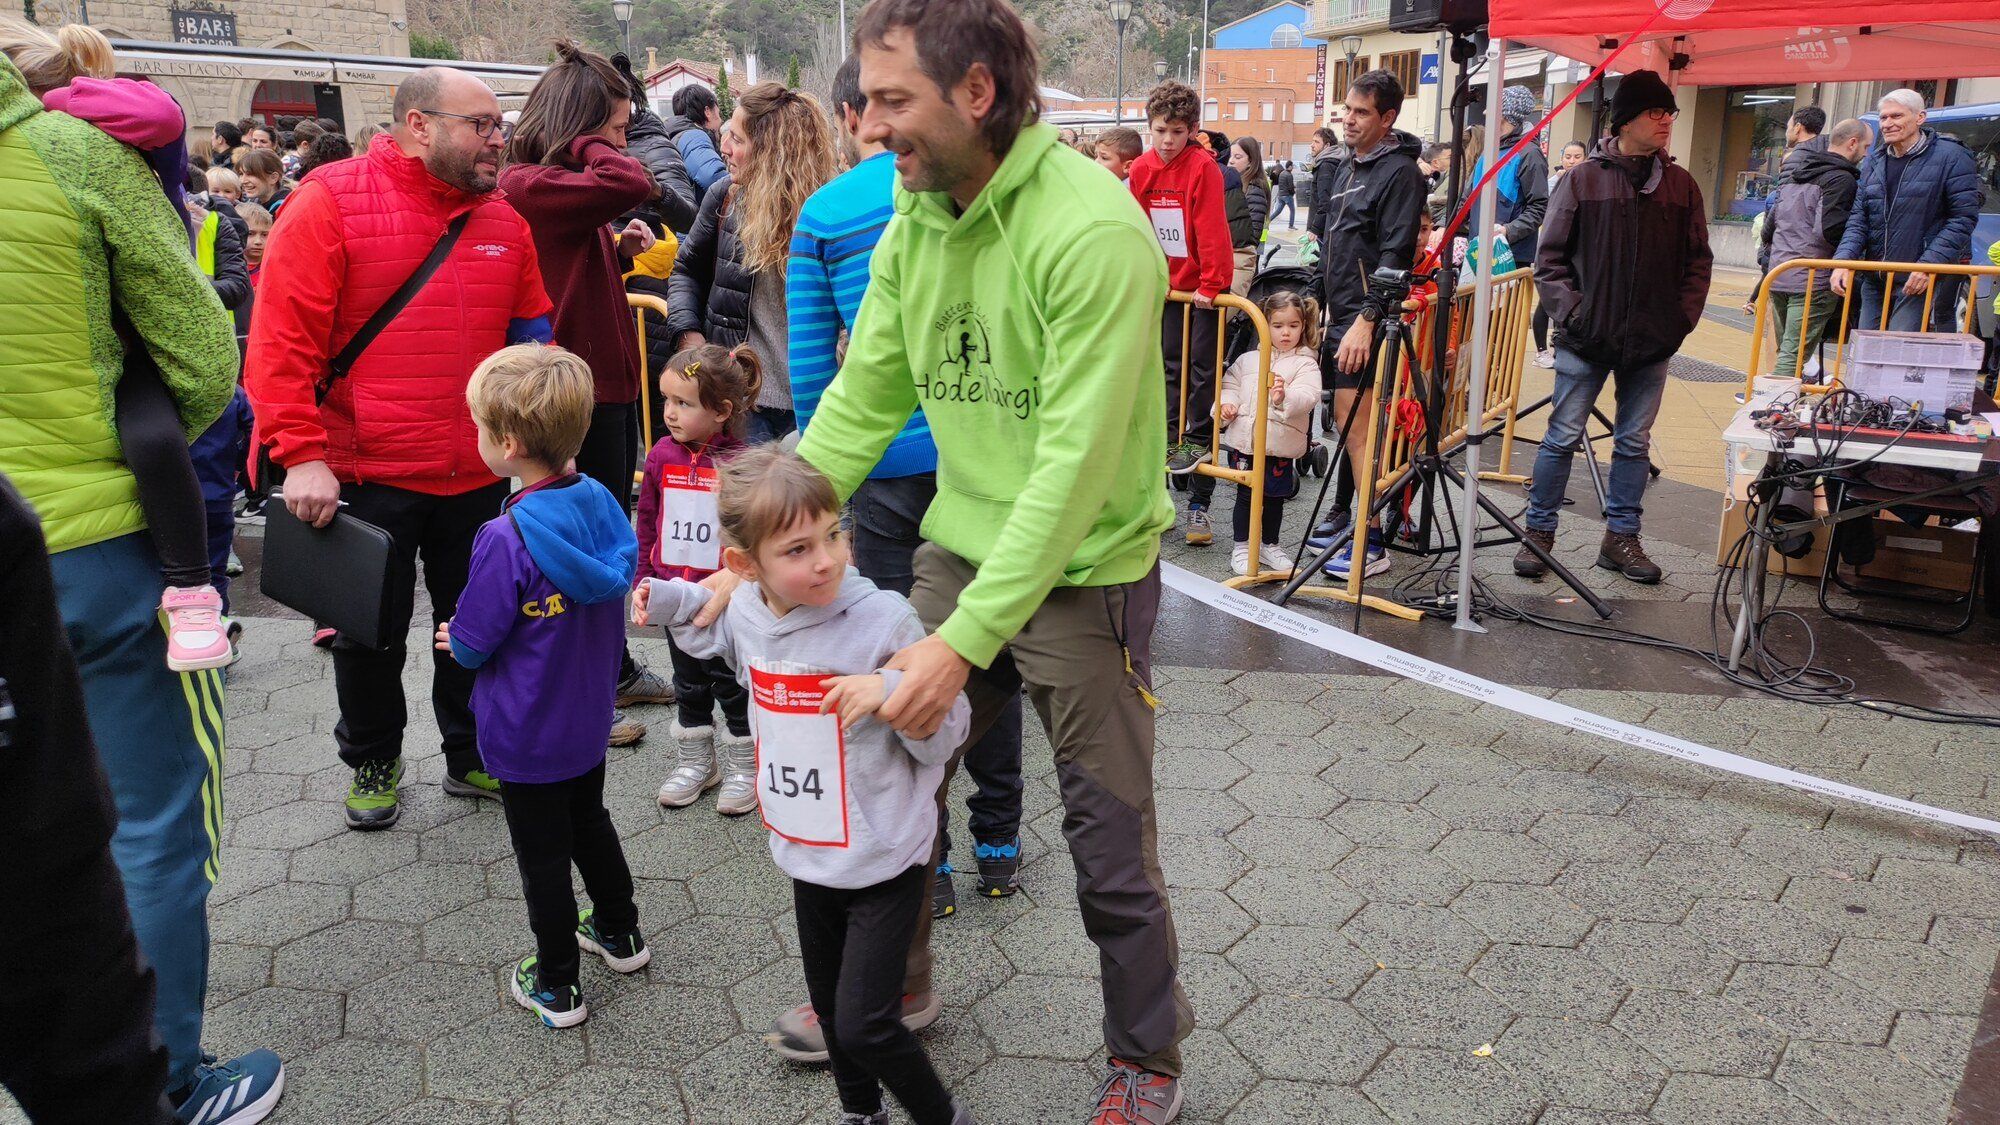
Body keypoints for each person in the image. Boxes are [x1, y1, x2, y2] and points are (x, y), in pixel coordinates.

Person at [755, 0, 1196, 1116]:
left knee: (1106, 842)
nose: (869, 128)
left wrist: (959, 643)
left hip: (1084, 573)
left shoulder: (1089, 230)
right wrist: (763, 533)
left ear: (977, 94)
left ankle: (1145, 1059)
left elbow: (1072, 473)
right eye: (869, 102)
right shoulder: (915, 218)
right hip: (962, 548)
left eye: (894, 103)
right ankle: (886, 999)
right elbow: (863, 400)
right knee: (893, 778)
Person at [0, 33, 285, 1125]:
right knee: (146, 824)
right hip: (86, 549)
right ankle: (167, 1083)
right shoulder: (74, 159)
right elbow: (211, 367)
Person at [246, 66, 556, 830]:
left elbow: (532, 343)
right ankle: (374, 757)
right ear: (418, 124)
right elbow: (281, 343)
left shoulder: (505, 221)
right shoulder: (328, 202)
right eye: (480, 124)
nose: (497, 140)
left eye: (498, 126)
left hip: (478, 474)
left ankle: (472, 749)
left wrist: (545, 446)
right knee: (365, 633)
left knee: (479, 625)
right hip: (364, 468)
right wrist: (300, 454)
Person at [641, 448, 977, 1125]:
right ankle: (862, 1112)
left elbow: (948, 732)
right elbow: (723, 641)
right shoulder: (747, 613)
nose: (826, 558)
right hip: (807, 852)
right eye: (798, 548)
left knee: (863, 1023)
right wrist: (669, 596)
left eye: (833, 532)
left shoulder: (884, 618)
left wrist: (889, 692)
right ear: (745, 566)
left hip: (885, 858)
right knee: (830, 1009)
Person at [788, 53, 1027, 926]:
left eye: (892, 105)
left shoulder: (831, 211)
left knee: (918, 664)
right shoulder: (951, 202)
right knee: (981, 664)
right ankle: (998, 837)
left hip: (888, 472)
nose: (879, 126)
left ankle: (925, 859)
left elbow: (821, 375)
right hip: (969, 467)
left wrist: (809, 500)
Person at [436, 344, 651, 1030]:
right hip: (588, 716)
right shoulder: (601, 503)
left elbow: (473, 640)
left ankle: (556, 982)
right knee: (591, 821)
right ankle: (619, 930)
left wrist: (455, 638)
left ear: (506, 443)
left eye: (477, 427)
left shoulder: (504, 537)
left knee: (542, 858)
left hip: (525, 730)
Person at [19, 23, 240, 672]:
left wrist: (47, 104)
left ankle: (193, 587)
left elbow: (163, 113)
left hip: (130, 299)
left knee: (150, 427)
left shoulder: (92, 122)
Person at [499, 39, 677, 750]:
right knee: (572, 542)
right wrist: (594, 145)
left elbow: (579, 241)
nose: (619, 142)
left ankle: (611, 668)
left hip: (594, 383)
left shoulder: (550, 186)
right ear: (574, 127)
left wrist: (616, 247)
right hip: (565, 391)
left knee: (599, 533)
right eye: (611, 126)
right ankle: (582, 690)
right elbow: (630, 179)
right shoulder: (529, 182)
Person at [1524, 68, 1712, 585]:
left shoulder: (1681, 185)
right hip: (1586, 338)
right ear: (1626, 119)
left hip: (1653, 340)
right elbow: (1550, 259)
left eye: (1669, 113)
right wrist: (1575, 314)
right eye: (1656, 112)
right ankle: (1538, 532)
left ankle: (1621, 537)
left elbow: (1699, 261)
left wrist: (1680, 320)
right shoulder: (1582, 179)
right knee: (1561, 436)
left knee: (1634, 442)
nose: (1666, 121)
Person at [667, 81, 839, 444]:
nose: (724, 148)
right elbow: (686, 270)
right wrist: (690, 336)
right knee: (744, 501)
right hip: (745, 403)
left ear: (774, 151)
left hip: (819, 406)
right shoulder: (725, 199)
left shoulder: (829, 210)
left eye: (738, 140)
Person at [1304, 69, 1426, 581]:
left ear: (1388, 118)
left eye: (1361, 113)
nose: (1349, 120)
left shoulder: (1400, 172)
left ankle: (1371, 541)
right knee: (1349, 426)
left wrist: (1367, 320)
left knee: (1360, 433)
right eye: (1346, 110)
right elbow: (1335, 242)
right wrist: (1314, 298)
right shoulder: (1348, 164)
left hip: (1366, 322)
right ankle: (1355, 524)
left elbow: (1395, 255)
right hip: (1340, 317)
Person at [634, 343, 757, 811]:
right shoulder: (660, 456)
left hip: (724, 597)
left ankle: (745, 765)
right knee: (687, 680)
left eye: (683, 403)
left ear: (723, 411)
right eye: (665, 400)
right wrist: (645, 579)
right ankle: (696, 762)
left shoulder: (741, 461)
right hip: (674, 592)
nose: (669, 413)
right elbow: (648, 520)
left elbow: (751, 531)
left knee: (729, 680)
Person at [1129, 79, 1233, 546]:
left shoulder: (1202, 167)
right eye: (1160, 131)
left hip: (1202, 292)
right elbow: (1134, 227)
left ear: (1192, 131)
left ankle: (1198, 471)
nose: (1167, 140)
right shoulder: (1142, 169)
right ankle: (1172, 444)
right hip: (1164, 290)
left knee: (1202, 372)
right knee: (1166, 370)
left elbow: (1212, 229)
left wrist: (1212, 284)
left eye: (1177, 131)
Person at [1832, 88, 1982, 333]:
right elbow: (1859, 218)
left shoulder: (1952, 156)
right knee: (1865, 354)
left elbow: (1962, 218)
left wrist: (1927, 266)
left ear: (1920, 118)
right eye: (1884, 118)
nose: (1888, 124)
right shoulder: (1876, 161)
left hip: (1918, 279)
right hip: (1875, 277)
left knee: (1899, 353)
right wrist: (1842, 261)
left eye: (1897, 116)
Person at [1218, 289, 1322, 576]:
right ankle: (1241, 545)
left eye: (1293, 325)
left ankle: (1269, 544)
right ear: (1264, 324)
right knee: (1246, 494)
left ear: (1304, 325)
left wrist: (1283, 397)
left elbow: (1308, 394)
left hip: (1280, 444)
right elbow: (1230, 387)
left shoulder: (1306, 362)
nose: (1286, 333)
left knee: (1275, 498)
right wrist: (1227, 406)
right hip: (1248, 442)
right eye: (1278, 326)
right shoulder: (1248, 359)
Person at [1762, 118, 1867, 381]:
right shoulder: (1841, 180)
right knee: (1792, 356)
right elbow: (1829, 230)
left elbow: (1769, 228)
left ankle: (1781, 406)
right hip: (1812, 277)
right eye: (1866, 147)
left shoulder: (1795, 176)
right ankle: (1771, 410)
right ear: (1852, 144)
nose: (1866, 154)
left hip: (1780, 274)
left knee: (1790, 352)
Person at [609, 50, 701, 234]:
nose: (621, 143)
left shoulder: (655, 147)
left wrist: (658, 192)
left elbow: (690, 217)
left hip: (647, 257)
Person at [1533, 140, 1590, 368]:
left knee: (1566, 299)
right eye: (1568, 156)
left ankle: (1559, 348)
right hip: (1550, 250)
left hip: (1577, 253)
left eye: (1577, 156)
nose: (1572, 160)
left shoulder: (1589, 182)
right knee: (1546, 301)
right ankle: (1541, 350)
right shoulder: (1551, 185)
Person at [665, 82, 729, 196]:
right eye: (718, 114)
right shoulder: (694, 137)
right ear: (708, 112)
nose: (720, 121)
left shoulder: (676, 135)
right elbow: (713, 177)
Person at [1229, 135, 1270, 297]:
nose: (1231, 161)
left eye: (1237, 157)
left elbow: (1253, 233)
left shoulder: (1255, 188)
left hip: (1243, 264)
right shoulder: (1237, 184)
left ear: (1251, 161)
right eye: (1231, 156)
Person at [1304, 125, 1343, 240]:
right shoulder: (1332, 162)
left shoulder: (1326, 165)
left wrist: (1315, 229)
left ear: (1327, 146)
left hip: (1321, 231)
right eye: (1312, 141)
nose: (1312, 145)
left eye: (1316, 142)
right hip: (1327, 227)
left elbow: (1325, 202)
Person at [235, 147, 290, 215]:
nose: (243, 181)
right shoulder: (252, 202)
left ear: (273, 178)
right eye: (241, 174)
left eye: (250, 174)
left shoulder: (286, 208)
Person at [1273, 155, 1296, 228]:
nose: (1293, 167)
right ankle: (1291, 225)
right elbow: (1290, 187)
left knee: (1277, 211)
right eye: (1292, 166)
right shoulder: (1289, 175)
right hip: (1287, 195)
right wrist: (1293, 193)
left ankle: (1267, 221)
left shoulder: (1282, 173)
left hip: (1280, 195)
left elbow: (1282, 184)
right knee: (1292, 210)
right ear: (1289, 166)